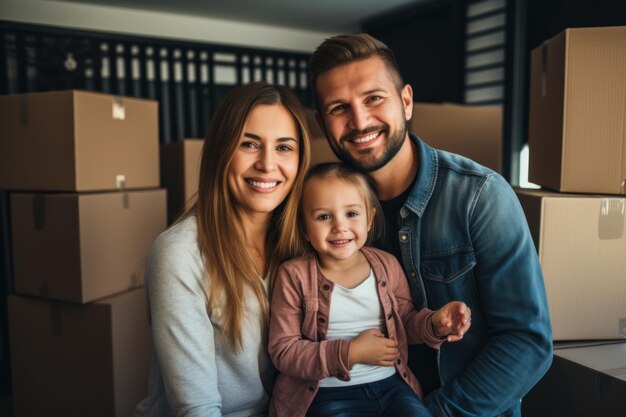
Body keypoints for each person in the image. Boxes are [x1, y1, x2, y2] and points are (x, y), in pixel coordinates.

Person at [308, 34, 553, 417]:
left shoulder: (480, 196)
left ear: (406, 101)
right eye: (339, 108)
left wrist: (433, 412)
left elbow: (527, 342)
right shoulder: (316, 211)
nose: (359, 121)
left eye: (374, 98)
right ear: (322, 123)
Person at [135, 81, 311, 417]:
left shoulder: (302, 244)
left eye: (284, 147)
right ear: (221, 150)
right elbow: (197, 409)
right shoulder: (180, 253)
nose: (267, 164)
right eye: (249, 144)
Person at [268, 162, 471, 417]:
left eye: (351, 214)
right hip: (326, 393)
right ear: (305, 228)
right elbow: (284, 350)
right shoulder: (294, 275)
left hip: (391, 387)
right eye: (323, 216)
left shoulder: (386, 265)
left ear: (370, 218)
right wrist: (350, 352)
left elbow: (405, 322)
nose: (339, 226)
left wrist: (434, 324)